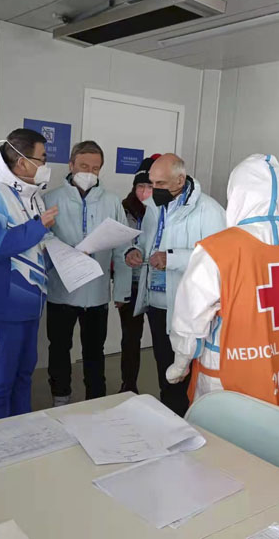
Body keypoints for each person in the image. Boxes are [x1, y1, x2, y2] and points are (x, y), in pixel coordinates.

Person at [168, 154, 279, 421]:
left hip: (227, 371)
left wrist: (181, 360)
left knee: (221, 439)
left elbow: (191, 315)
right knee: (276, 436)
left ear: (236, 193)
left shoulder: (217, 249)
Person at [0, 129, 58, 422]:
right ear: (22, 162)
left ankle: (20, 436)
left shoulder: (33, 196)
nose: (45, 165)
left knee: (22, 377)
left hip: (30, 303)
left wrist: (66, 256)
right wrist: (37, 227)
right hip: (1, 307)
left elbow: (35, 245)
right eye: (41, 158)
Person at [125, 153, 225, 416]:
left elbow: (219, 258)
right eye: (151, 183)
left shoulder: (209, 210)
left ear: (180, 180)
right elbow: (145, 240)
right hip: (157, 302)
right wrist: (134, 251)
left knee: (188, 373)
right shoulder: (154, 206)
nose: (153, 189)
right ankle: (171, 419)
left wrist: (173, 259)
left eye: (160, 184)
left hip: (189, 307)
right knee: (165, 368)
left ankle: (189, 422)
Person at [43, 141, 132, 406]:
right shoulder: (50, 199)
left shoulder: (112, 201)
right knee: (59, 349)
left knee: (95, 351)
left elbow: (122, 248)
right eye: (83, 166)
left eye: (95, 168)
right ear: (71, 165)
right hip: (61, 291)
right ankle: (60, 398)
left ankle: (96, 400)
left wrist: (122, 291)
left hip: (96, 293)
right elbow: (40, 242)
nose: (89, 173)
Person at [118, 155, 157, 394]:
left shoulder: (164, 211)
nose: (144, 192)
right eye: (140, 186)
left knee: (161, 339)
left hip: (156, 285)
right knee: (130, 339)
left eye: (149, 186)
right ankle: (128, 385)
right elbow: (117, 249)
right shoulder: (124, 209)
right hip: (131, 285)